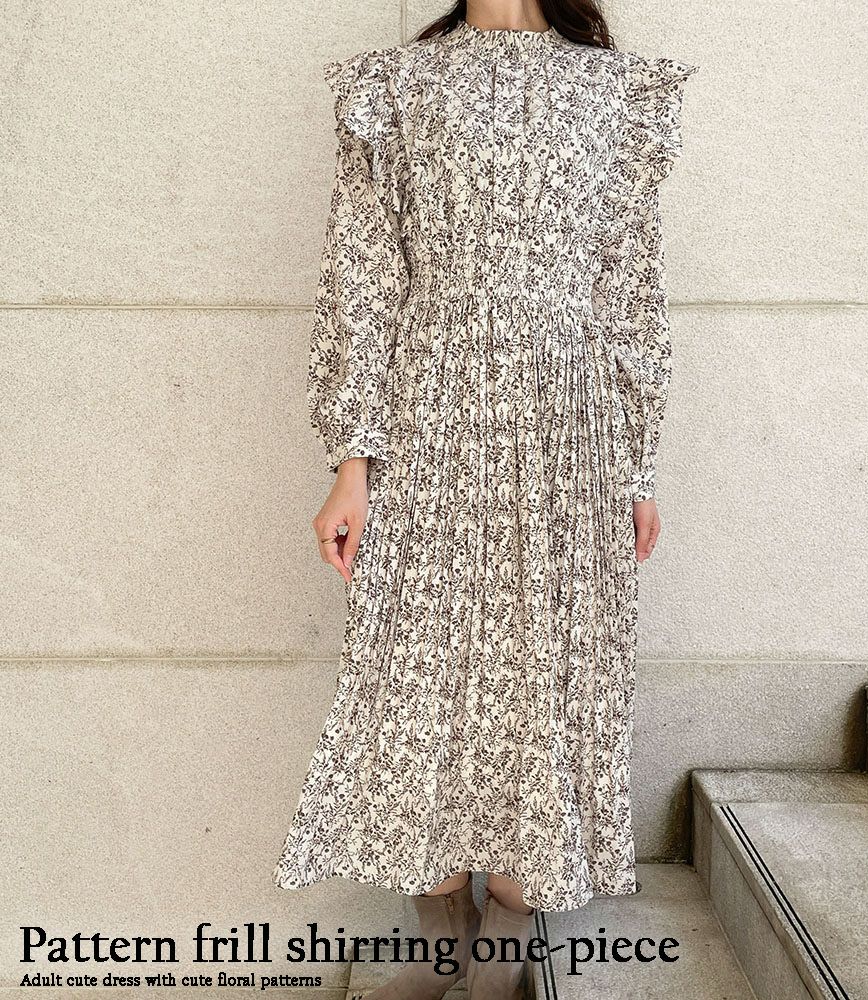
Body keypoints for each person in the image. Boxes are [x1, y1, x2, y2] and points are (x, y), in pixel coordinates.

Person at [272, 2, 699, 997]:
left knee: (545, 684)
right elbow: (363, 279)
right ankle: (439, 946)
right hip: (428, 418)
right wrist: (351, 461)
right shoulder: (395, 86)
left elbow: (629, 290)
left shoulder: (615, 91)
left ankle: (501, 952)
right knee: (414, 683)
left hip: (571, 431)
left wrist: (636, 465)